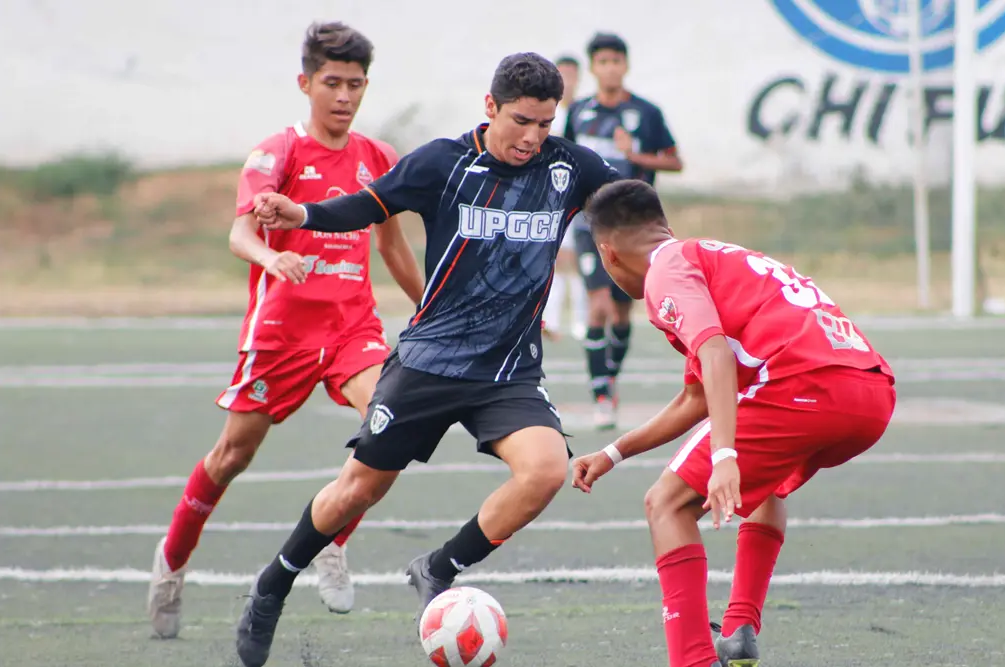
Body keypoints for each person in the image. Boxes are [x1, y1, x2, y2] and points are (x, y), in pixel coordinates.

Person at [232, 52, 621, 667]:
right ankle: (272, 585)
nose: (533, 137)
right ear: (490, 107)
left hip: (507, 371)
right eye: (522, 121)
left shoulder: (569, 166)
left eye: (546, 124)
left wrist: (671, 252)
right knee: (358, 491)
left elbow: (630, 205)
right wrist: (301, 213)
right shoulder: (444, 163)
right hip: (428, 362)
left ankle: (437, 568)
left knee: (546, 471)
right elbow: (366, 205)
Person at [145, 21, 425, 639]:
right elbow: (240, 230)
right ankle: (172, 563)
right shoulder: (281, 152)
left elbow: (395, 248)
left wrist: (432, 306)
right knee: (231, 457)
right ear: (306, 83)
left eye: (355, 84)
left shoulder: (376, 159)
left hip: (353, 328)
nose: (344, 96)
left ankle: (332, 540)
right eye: (332, 83)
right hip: (282, 335)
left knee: (393, 425)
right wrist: (271, 257)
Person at [570, 180, 896, 667]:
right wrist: (614, 452)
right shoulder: (709, 258)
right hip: (870, 393)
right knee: (770, 483)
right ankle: (740, 629)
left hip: (804, 385)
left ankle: (693, 661)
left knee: (667, 504)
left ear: (607, 254)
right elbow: (696, 397)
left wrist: (724, 457)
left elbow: (715, 355)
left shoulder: (666, 274)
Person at [564, 32, 683, 430]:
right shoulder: (579, 111)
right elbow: (564, 161)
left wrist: (635, 155)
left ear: (625, 66)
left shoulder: (646, 113)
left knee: (620, 310)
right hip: (589, 221)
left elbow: (674, 161)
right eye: (602, 62)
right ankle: (601, 394)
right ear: (593, 68)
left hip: (632, 226)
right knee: (597, 306)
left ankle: (609, 372)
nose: (610, 68)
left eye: (616, 61)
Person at [542, 54, 589, 342]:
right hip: (553, 196)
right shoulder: (549, 114)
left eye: (572, 75)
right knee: (557, 257)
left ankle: (582, 321)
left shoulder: (585, 113)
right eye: (562, 75)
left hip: (582, 196)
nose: (567, 81)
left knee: (582, 258)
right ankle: (554, 321)